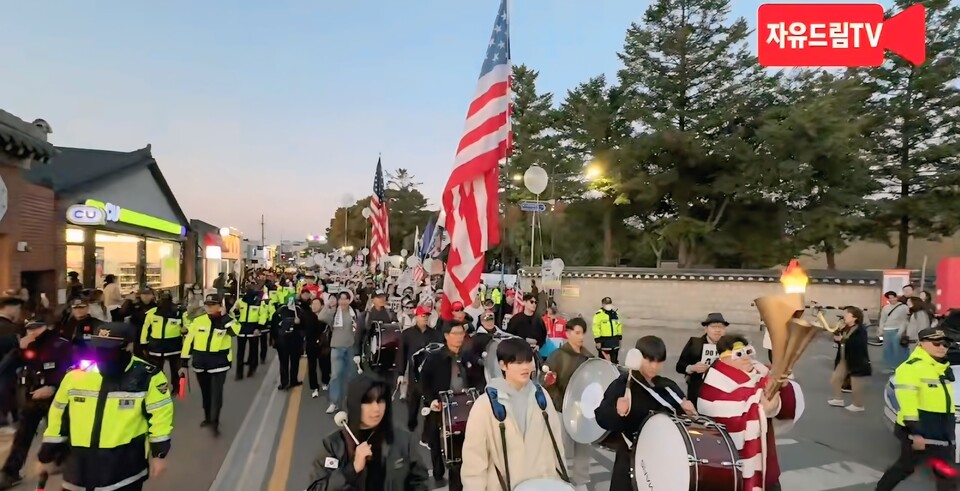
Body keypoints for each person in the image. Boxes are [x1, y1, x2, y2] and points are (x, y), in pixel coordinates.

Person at [38, 321, 173, 491]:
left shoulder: (147, 377)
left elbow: (160, 417)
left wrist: (159, 454)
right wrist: (47, 454)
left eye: (110, 348)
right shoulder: (76, 376)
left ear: (128, 347)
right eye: (99, 347)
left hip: (124, 468)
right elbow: (58, 416)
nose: (102, 353)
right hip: (78, 467)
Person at [697, 334, 803, 491]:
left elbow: (782, 409)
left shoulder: (760, 371)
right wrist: (760, 403)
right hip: (732, 467)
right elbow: (725, 408)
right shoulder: (714, 381)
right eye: (739, 354)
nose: (746, 358)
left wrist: (780, 385)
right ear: (724, 358)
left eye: (748, 352)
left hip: (766, 459)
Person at [461, 337, 568, 490]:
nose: (525, 367)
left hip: (542, 484)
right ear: (503, 365)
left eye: (528, 361)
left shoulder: (541, 396)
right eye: (518, 363)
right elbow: (474, 461)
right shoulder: (485, 405)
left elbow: (556, 443)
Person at [596, 336, 696, 490]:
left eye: (659, 362)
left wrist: (689, 413)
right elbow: (601, 417)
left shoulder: (668, 387)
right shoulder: (622, 385)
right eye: (650, 361)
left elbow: (681, 423)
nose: (654, 367)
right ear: (637, 357)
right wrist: (616, 411)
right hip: (629, 457)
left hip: (660, 459)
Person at [307, 374, 430, 490]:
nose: (376, 408)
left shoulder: (402, 439)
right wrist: (352, 470)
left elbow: (419, 481)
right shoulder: (332, 446)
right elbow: (316, 488)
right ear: (355, 404)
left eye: (381, 401)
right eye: (368, 402)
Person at [876, 327, 958, 490]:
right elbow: (908, 402)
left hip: (942, 428)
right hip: (920, 429)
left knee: (938, 472)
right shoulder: (911, 368)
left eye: (945, 344)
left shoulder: (940, 367)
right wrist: (916, 433)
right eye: (936, 343)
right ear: (921, 344)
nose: (942, 347)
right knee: (912, 468)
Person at [0, 321, 72, 489]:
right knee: (23, 436)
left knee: (60, 432)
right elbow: (8, 367)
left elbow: (71, 370)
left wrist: (53, 386)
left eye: (36, 327)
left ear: (46, 326)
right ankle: (10, 472)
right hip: (32, 398)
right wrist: (17, 349)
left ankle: (64, 463)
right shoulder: (25, 346)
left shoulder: (60, 344)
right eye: (29, 328)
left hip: (55, 398)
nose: (32, 331)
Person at [420, 322, 484, 489]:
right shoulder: (435, 358)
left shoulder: (468, 356)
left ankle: (457, 482)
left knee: (459, 449)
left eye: (461, 334)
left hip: (464, 407)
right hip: (441, 405)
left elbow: (479, 379)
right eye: (455, 334)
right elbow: (423, 382)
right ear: (447, 336)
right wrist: (431, 400)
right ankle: (438, 473)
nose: (459, 337)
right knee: (436, 441)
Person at [542, 317, 595, 489]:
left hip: (581, 408)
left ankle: (581, 481)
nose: (581, 337)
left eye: (583, 333)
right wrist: (549, 380)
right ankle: (559, 479)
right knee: (561, 446)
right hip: (561, 406)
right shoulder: (557, 356)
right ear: (568, 333)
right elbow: (544, 379)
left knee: (583, 445)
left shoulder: (588, 357)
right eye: (577, 332)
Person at [179, 294, 241, 436]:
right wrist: (184, 362)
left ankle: (215, 421)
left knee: (216, 393)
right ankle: (207, 417)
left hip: (220, 363)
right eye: (207, 305)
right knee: (206, 393)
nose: (209, 308)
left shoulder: (229, 320)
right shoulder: (198, 321)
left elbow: (234, 332)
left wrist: (224, 317)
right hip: (200, 363)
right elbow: (189, 341)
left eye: (213, 304)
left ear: (221, 305)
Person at [396, 306, 441, 432]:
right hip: (414, 373)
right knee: (413, 401)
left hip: (430, 373)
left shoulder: (434, 334)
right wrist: (400, 373)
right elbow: (401, 354)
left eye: (427, 316)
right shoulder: (407, 334)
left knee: (430, 401)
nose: (425, 318)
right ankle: (411, 423)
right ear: (416, 317)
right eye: (423, 316)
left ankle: (428, 431)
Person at [676, 312, 728, 406]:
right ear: (706, 329)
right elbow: (679, 366)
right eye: (713, 327)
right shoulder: (695, 343)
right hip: (698, 390)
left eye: (720, 327)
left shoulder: (729, 346)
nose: (717, 330)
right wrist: (692, 368)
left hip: (721, 391)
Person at [321, 290, 360, 414]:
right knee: (336, 376)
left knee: (351, 376)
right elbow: (321, 317)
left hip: (351, 348)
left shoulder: (355, 314)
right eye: (341, 299)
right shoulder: (333, 313)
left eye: (346, 299)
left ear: (350, 300)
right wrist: (329, 304)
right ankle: (334, 402)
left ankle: (351, 401)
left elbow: (359, 329)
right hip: (336, 348)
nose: (343, 301)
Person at [140, 291, 187, 395]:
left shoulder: (179, 312)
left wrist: (186, 333)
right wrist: (143, 343)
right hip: (156, 347)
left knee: (175, 370)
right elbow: (146, 329)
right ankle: (161, 390)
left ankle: (176, 387)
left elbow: (187, 327)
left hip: (174, 346)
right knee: (157, 371)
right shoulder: (152, 313)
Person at [827, 306, 871, 412]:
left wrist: (843, 340)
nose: (844, 316)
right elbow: (842, 339)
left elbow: (859, 344)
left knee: (856, 384)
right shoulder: (846, 327)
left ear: (854, 318)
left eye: (847, 314)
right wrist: (838, 339)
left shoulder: (860, 330)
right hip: (843, 357)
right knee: (836, 378)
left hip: (856, 359)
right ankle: (838, 399)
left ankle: (858, 405)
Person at [231, 285, 269, 380]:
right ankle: (239, 373)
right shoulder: (240, 301)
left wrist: (259, 328)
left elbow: (263, 315)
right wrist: (236, 314)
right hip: (242, 329)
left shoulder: (259, 302)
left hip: (253, 329)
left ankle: (252, 369)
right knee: (240, 352)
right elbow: (232, 313)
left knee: (253, 350)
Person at [272, 294, 304, 390]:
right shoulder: (279, 311)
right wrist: (275, 339)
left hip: (294, 341)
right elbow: (274, 327)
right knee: (284, 362)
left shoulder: (299, 311)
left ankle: (292, 380)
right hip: (283, 341)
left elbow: (304, 326)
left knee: (293, 362)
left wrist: (300, 322)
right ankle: (285, 382)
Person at [303, 294, 332, 399]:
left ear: (322, 305)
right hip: (311, 345)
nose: (314, 306)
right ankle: (314, 387)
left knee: (324, 364)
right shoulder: (307, 316)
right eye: (312, 304)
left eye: (317, 304)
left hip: (323, 345)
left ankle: (325, 381)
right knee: (312, 367)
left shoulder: (325, 317)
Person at [881, 291, 910, 372]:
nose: (891, 299)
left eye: (893, 297)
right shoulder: (885, 308)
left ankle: (898, 367)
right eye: (889, 298)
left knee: (897, 349)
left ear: (896, 297)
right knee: (887, 350)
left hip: (897, 330)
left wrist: (901, 331)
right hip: (887, 330)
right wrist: (880, 329)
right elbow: (882, 319)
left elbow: (905, 320)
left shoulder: (903, 307)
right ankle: (889, 367)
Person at [591, 296, 623, 363]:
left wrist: (619, 338)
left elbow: (619, 326)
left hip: (615, 342)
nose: (608, 305)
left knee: (614, 362)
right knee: (603, 362)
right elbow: (596, 327)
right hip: (604, 342)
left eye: (609, 303)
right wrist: (598, 341)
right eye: (606, 304)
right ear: (603, 304)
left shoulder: (615, 314)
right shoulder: (599, 315)